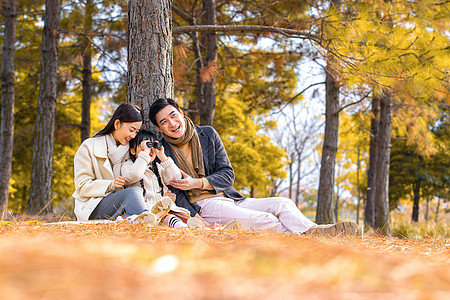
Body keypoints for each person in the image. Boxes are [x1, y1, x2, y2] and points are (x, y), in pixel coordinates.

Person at [148, 98, 359, 237]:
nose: (172, 123)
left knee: (282, 203)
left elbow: (227, 174)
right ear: (158, 128)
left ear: (181, 113)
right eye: (164, 122)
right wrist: (194, 216)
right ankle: (310, 239)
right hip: (204, 206)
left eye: (173, 115)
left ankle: (314, 232)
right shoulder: (161, 152)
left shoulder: (207, 134)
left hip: (231, 197)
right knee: (264, 220)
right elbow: (171, 194)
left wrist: (199, 182)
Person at [72, 103, 158, 225]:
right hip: (93, 206)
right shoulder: (89, 147)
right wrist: (110, 185)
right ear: (117, 124)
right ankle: (146, 222)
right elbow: (81, 186)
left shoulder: (130, 150)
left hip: (122, 206)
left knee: (135, 192)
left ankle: (140, 219)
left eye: (136, 132)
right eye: (131, 130)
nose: (133, 135)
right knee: (133, 192)